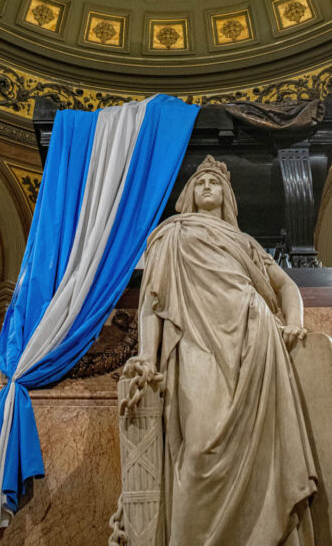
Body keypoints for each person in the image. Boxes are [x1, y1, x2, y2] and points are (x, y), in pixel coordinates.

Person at [128, 155, 317, 546]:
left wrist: (295, 321)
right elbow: (152, 302)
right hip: (196, 341)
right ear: (190, 194)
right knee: (198, 450)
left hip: (255, 339)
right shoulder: (171, 234)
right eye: (200, 182)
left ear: (227, 195)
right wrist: (147, 353)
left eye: (215, 182)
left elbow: (286, 286)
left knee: (265, 453)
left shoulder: (245, 243)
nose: (208, 187)